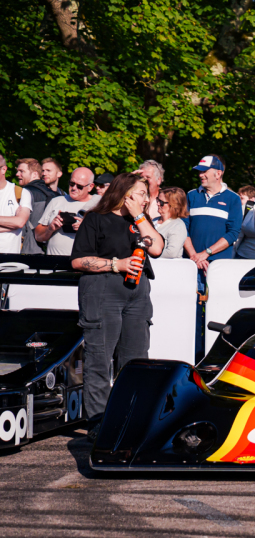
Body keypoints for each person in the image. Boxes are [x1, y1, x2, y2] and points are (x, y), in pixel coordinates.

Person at [69, 172, 164, 429]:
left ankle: (131, 421)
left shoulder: (140, 222)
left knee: (135, 361)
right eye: (141, 193)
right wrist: (115, 264)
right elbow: (78, 261)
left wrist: (139, 216)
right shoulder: (96, 219)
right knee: (100, 359)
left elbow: (156, 248)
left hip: (138, 293)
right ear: (125, 193)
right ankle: (99, 424)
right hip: (102, 290)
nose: (146, 199)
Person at [183, 154, 241, 269]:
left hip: (219, 265)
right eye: (199, 172)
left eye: (204, 171)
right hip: (192, 262)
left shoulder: (233, 198)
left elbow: (233, 233)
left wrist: (205, 253)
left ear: (218, 174)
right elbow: (183, 228)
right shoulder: (191, 195)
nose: (200, 175)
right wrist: (195, 256)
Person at [36, 167, 97, 256]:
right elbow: (38, 236)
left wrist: (86, 229)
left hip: (82, 264)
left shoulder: (99, 205)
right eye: (71, 184)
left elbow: (109, 238)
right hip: (54, 264)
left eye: (79, 186)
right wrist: (50, 228)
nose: (74, 188)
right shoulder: (56, 201)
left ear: (90, 187)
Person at [15, 157, 56, 255]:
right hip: (49, 250)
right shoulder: (55, 194)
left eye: (21, 171)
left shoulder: (24, 193)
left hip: (27, 250)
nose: (17, 174)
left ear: (34, 174)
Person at [0, 155, 31, 254]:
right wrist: (11, 224)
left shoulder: (20, 192)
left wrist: (16, 224)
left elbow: (20, 222)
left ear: (3, 169)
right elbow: (16, 223)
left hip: (10, 261)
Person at [153, 187, 190, 259]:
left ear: (173, 205)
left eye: (161, 202)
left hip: (168, 267)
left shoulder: (178, 225)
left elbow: (171, 253)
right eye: (157, 200)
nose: (157, 204)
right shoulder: (153, 221)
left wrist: (147, 254)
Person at [235, 184, 255, 258]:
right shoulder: (247, 209)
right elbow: (238, 236)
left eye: (242, 198)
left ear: (252, 199)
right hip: (243, 255)